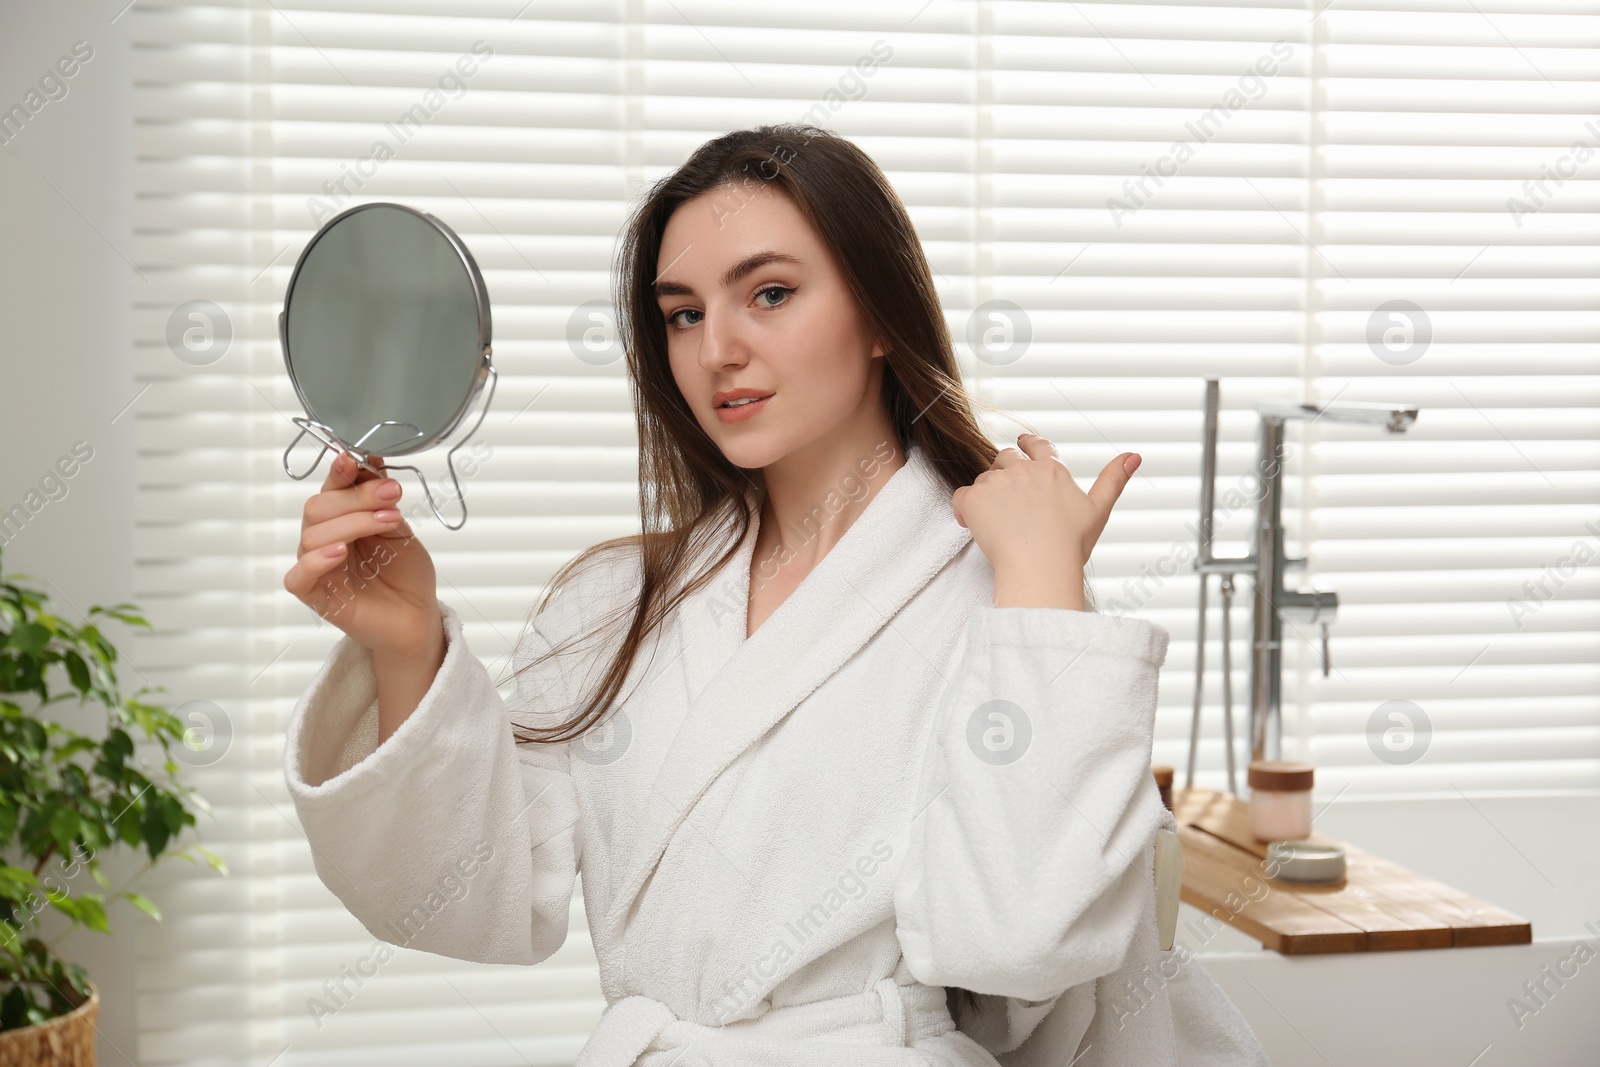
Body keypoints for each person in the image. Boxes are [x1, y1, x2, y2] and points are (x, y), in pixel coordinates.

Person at [282, 123, 1269, 1066]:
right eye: (683, 313)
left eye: (769, 293)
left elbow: (1022, 937)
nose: (716, 349)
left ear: (880, 314)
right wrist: (404, 645)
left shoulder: (1000, 592)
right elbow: (462, 899)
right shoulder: (614, 603)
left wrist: (1045, 584)